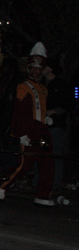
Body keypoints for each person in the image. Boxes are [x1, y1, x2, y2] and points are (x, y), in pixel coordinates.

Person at [0, 42, 55, 206]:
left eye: (38, 69)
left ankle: (43, 195)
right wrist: (21, 133)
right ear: (29, 69)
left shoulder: (43, 88)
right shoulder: (23, 87)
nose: (36, 71)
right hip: (28, 130)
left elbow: (39, 109)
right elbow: (19, 112)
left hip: (42, 131)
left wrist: (45, 118)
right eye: (33, 68)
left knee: (47, 164)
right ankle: (2, 183)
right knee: (24, 164)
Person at [43, 62, 72, 190]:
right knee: (41, 152)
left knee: (55, 153)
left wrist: (54, 111)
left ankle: (56, 181)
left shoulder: (62, 84)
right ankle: (41, 180)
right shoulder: (41, 83)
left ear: (50, 68)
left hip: (56, 124)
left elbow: (69, 104)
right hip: (41, 123)